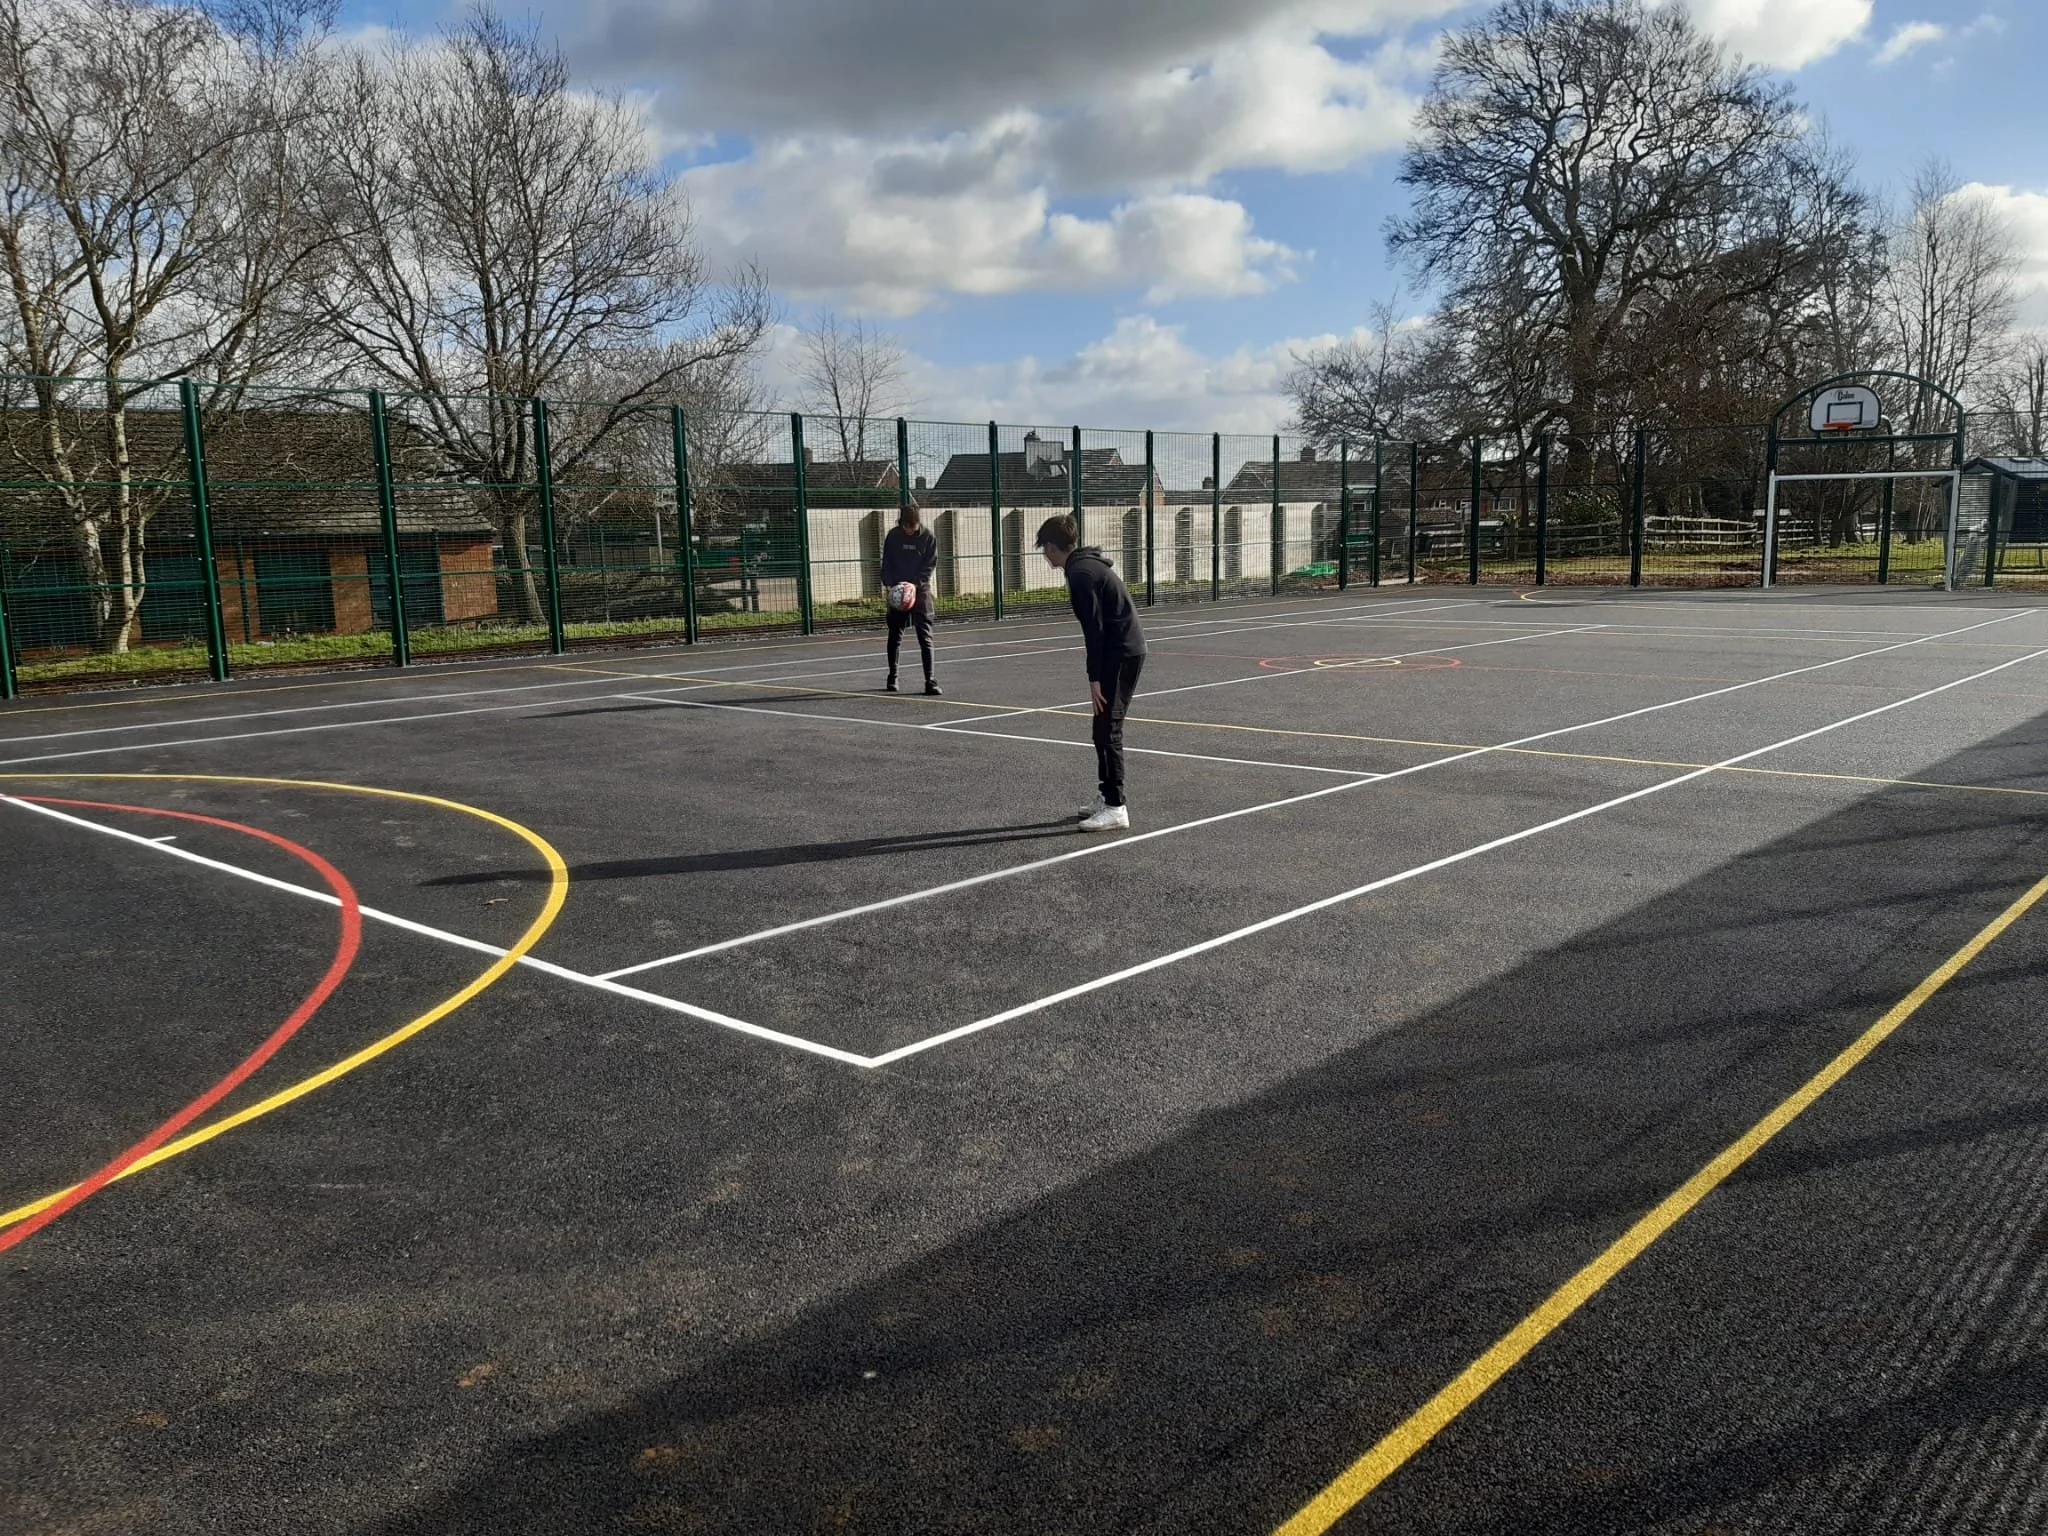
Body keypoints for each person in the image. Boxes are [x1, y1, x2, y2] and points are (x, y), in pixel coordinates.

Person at [1034, 513, 1146, 832]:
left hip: (1120, 654)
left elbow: (1093, 631)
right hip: (1120, 650)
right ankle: (1107, 794)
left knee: (1108, 729)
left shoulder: (1081, 574)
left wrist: (1094, 678)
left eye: (1044, 549)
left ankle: (1115, 807)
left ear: (1052, 547)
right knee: (1101, 728)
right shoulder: (1085, 565)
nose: (1045, 555)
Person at [879, 504, 941, 695]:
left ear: (917, 524)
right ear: (901, 523)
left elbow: (929, 566)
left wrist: (914, 584)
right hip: (897, 590)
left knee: (925, 636)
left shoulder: (928, 537)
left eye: (912, 527)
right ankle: (893, 676)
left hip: (920, 591)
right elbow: (886, 563)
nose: (909, 530)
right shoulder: (893, 536)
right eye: (905, 526)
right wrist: (890, 585)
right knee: (895, 634)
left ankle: (930, 680)